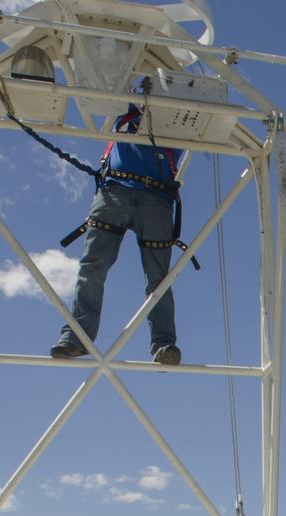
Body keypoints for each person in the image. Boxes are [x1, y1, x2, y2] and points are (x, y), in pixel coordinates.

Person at [50, 81, 186, 365]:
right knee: (93, 266)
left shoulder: (181, 113)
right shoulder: (123, 108)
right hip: (117, 190)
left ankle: (164, 344)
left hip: (155, 196)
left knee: (159, 278)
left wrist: (164, 93)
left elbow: (195, 113)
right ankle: (77, 337)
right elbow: (110, 89)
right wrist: (138, 90)